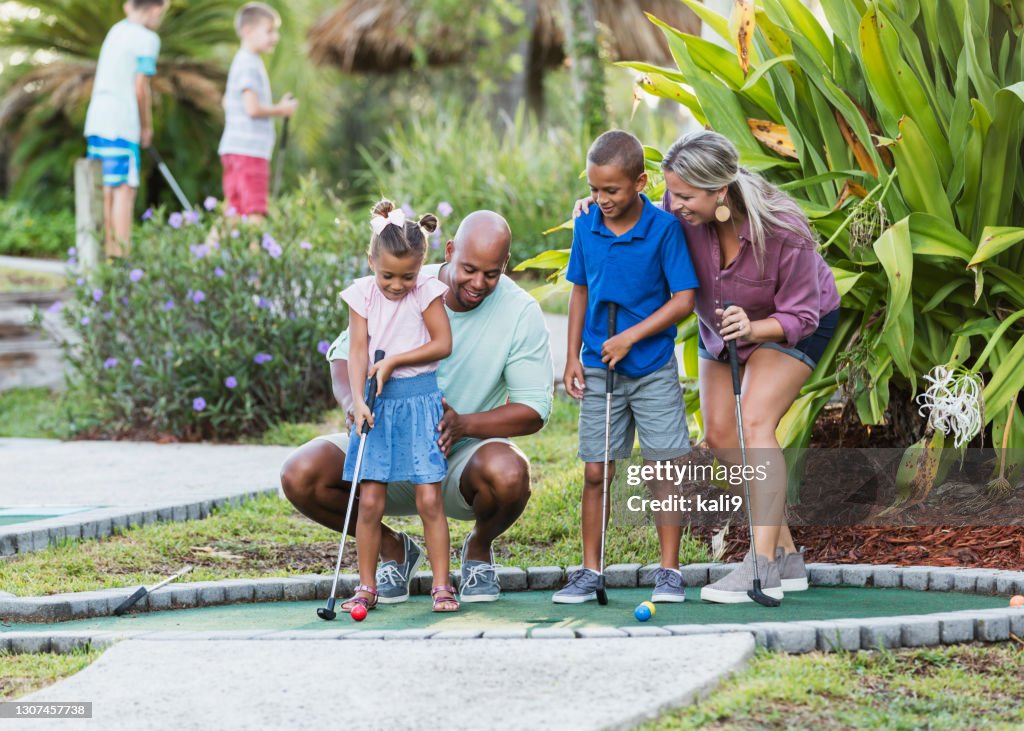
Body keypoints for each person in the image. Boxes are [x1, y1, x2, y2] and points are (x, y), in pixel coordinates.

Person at [580, 129, 840, 603]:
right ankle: (787, 553)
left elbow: (801, 314)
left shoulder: (783, 228)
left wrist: (756, 328)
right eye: (670, 192)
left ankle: (761, 568)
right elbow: (640, 222)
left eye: (684, 196)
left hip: (791, 323)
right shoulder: (676, 209)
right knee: (721, 436)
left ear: (720, 190)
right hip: (719, 327)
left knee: (755, 422)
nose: (672, 203)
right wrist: (597, 207)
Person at [281, 211, 553, 605]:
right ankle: (394, 549)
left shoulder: (520, 312)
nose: (478, 283)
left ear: (505, 267)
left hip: (456, 459)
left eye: (491, 274)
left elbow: (533, 410)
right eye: (469, 269)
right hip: (384, 439)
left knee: (509, 472)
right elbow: (345, 355)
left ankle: (477, 551)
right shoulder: (401, 278)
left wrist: (462, 425)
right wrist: (354, 405)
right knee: (300, 473)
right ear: (449, 251)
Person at [554, 130, 699, 605]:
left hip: (652, 367)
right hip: (599, 369)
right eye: (595, 190)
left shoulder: (664, 229)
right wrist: (573, 355)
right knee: (597, 472)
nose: (601, 200)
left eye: (611, 191)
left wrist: (632, 336)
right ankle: (589, 571)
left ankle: (669, 572)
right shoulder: (586, 226)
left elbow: (684, 301)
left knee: (664, 469)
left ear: (640, 182)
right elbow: (579, 290)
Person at [338, 200, 455, 614]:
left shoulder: (426, 291)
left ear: (420, 268)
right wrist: (357, 401)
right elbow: (356, 350)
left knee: (429, 499)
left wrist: (393, 361)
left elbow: (443, 343)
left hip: (419, 400)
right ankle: (366, 585)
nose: (396, 284)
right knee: (369, 501)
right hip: (377, 404)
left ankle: (442, 585)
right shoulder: (362, 295)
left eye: (407, 276)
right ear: (372, 262)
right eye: (387, 274)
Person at [83, 0, 167, 257]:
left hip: (97, 119)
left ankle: (103, 258)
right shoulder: (147, 39)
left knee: (105, 189)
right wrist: (146, 127)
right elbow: (140, 87)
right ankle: (120, 258)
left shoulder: (116, 30)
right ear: (155, 9)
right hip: (122, 121)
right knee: (124, 190)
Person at [218, 2, 297, 222]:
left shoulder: (240, 61)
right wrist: (281, 109)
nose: (275, 37)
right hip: (250, 151)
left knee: (232, 211)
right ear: (247, 31)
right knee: (255, 210)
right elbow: (251, 108)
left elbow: (227, 102)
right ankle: (256, 257)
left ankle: (203, 255)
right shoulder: (250, 63)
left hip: (233, 148)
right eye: (269, 31)